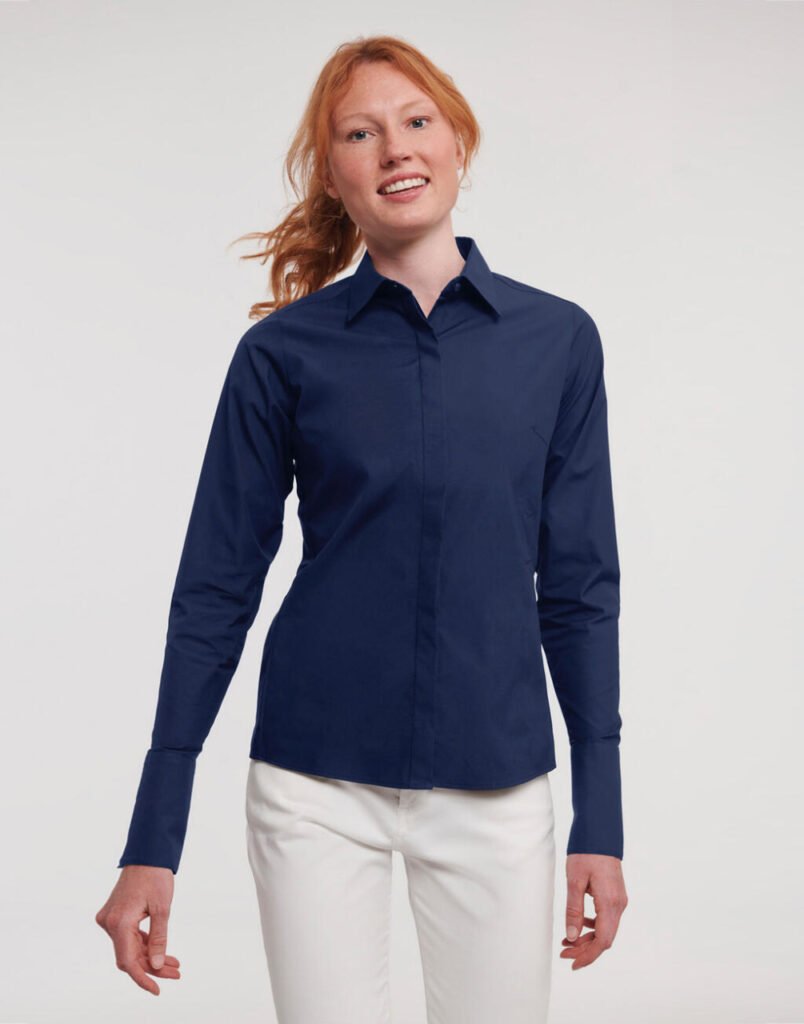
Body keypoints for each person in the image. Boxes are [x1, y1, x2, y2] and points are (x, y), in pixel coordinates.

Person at [95, 33, 628, 1022]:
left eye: (417, 120)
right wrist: (152, 837)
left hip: (497, 779)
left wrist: (603, 815)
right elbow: (215, 589)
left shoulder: (558, 341)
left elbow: (581, 587)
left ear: (459, 142)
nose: (395, 148)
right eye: (359, 133)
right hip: (313, 784)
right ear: (333, 175)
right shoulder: (282, 354)